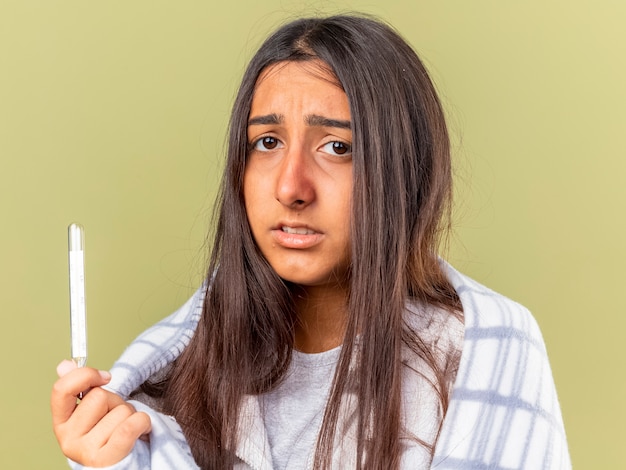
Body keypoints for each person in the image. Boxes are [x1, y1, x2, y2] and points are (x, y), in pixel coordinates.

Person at [51, 14, 571, 470]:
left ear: (403, 169)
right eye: (268, 142)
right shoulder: (166, 385)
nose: (290, 187)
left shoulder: (483, 356)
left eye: (338, 146)